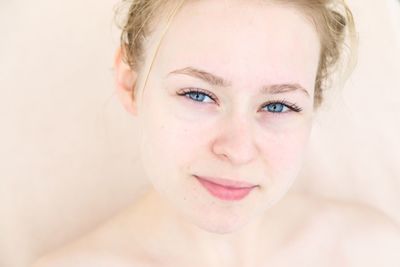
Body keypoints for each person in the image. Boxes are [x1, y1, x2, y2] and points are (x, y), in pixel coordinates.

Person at [33, 0, 400, 266]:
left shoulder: (376, 251)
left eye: (277, 106)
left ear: (314, 105)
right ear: (130, 84)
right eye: (198, 94)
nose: (237, 150)